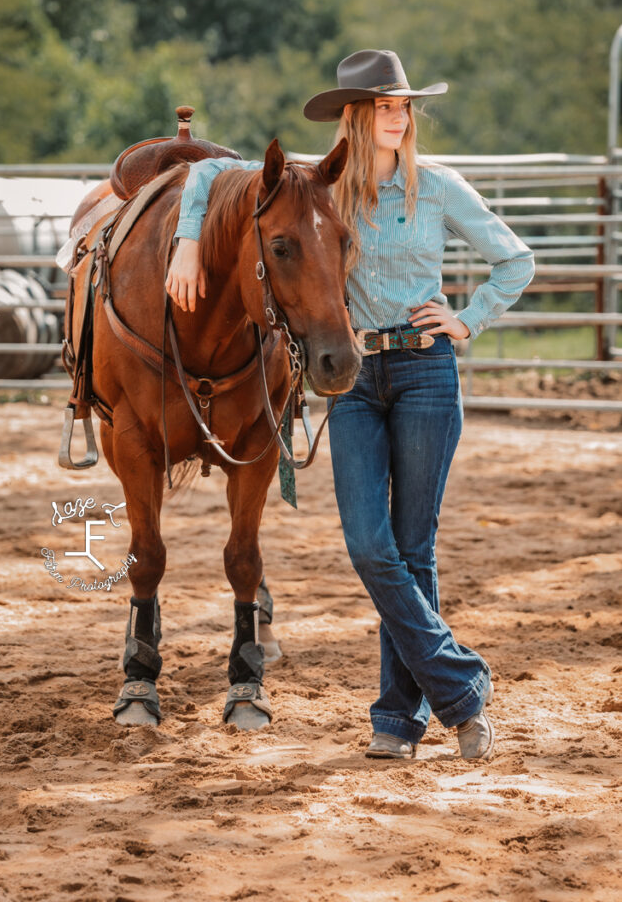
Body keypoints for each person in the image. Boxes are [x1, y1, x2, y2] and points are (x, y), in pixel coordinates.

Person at [166, 49, 535, 760]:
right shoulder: (319, 185)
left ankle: (395, 722)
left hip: (427, 373)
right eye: (383, 107)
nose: (399, 118)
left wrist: (468, 318)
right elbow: (213, 171)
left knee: (412, 550)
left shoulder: (439, 188)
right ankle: (460, 686)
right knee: (370, 547)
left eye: (403, 106)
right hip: (358, 380)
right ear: (354, 119)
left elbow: (514, 259)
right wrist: (186, 246)